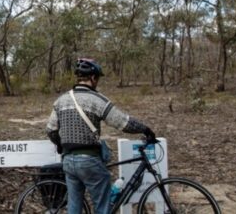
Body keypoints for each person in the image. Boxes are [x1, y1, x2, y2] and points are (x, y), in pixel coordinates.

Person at [46, 58, 156, 214]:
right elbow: (123, 122)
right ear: (93, 77)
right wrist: (145, 129)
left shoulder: (61, 100)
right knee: (103, 206)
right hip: (89, 161)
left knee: (74, 206)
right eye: (97, 78)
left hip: (68, 161)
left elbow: (50, 129)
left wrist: (59, 145)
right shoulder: (97, 100)